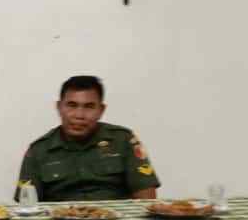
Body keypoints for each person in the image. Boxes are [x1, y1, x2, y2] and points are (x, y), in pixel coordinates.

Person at [16, 75, 160, 202]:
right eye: (72, 105)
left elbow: (146, 199)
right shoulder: (39, 150)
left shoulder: (123, 140)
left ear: (101, 110)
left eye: (89, 107)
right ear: (59, 107)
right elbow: (26, 204)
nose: (79, 115)